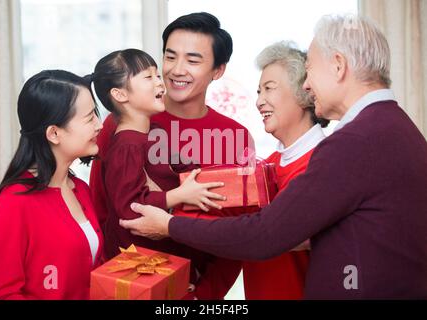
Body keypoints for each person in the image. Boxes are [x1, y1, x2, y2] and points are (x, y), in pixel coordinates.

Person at [120, 14, 427, 299]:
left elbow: (266, 233)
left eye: (310, 72)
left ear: (338, 66)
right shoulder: (395, 128)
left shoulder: (356, 142)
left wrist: (169, 224)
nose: (307, 85)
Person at [89, 12, 252, 299]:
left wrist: (204, 295)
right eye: (170, 56)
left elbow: (238, 232)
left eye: (192, 60)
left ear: (218, 70)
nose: (176, 70)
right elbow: (102, 206)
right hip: (126, 284)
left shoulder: (236, 137)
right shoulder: (120, 124)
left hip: (193, 290)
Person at [89, 48, 225, 268]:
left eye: (157, 75)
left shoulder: (155, 130)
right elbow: (130, 207)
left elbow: (185, 168)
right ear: (120, 95)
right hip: (137, 260)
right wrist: (179, 195)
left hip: (164, 250)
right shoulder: (126, 146)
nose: (160, 83)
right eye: (148, 77)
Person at [0, 70, 104, 299]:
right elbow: (3, 294)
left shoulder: (80, 188)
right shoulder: (14, 204)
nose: (99, 125)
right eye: (90, 118)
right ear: (54, 133)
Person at [242, 41, 329, 300]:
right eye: (258, 91)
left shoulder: (326, 162)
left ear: (303, 92)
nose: (259, 101)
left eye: (269, 89)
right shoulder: (267, 164)